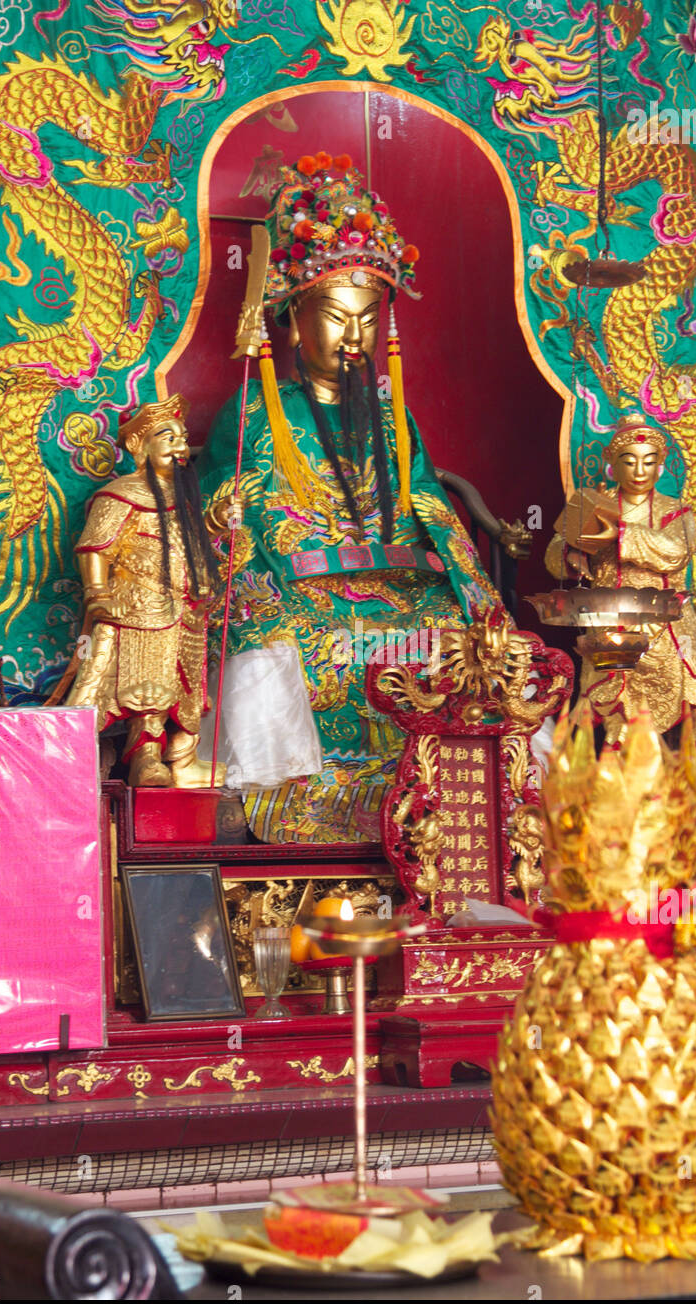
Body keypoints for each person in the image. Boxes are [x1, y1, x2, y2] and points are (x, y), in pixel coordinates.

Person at [198, 151, 508, 842]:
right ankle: (303, 795)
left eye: (368, 318)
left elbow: (427, 504)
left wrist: (473, 594)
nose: (353, 336)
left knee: (467, 649)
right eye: (335, 316)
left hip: (402, 586)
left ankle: (458, 796)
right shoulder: (255, 414)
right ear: (294, 318)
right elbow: (243, 513)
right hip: (303, 590)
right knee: (307, 641)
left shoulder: (392, 417)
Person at [544, 411, 696, 780]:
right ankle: (621, 755)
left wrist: (620, 535)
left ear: (662, 466)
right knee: (616, 687)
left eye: (649, 462)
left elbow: (675, 552)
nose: (640, 470)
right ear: (612, 463)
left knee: (694, 674)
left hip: (666, 615)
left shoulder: (675, 510)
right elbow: (554, 557)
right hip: (610, 616)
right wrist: (574, 553)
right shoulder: (591, 505)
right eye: (630, 461)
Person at [68, 395, 225, 788]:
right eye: (166, 436)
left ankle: (168, 757)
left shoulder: (186, 499)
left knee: (175, 688)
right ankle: (71, 753)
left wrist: (217, 523)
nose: (179, 445)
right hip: (135, 606)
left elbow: (191, 542)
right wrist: (97, 592)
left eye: (182, 437)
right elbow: (94, 546)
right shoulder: (122, 493)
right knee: (112, 685)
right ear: (140, 446)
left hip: (180, 607)